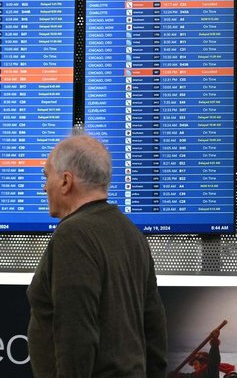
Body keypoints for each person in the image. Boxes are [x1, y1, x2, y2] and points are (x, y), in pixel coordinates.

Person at [27, 133, 168, 377]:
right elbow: (154, 327)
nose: (44, 186)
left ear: (65, 181)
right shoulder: (131, 234)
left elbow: (76, 332)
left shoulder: (73, 235)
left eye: (46, 175)